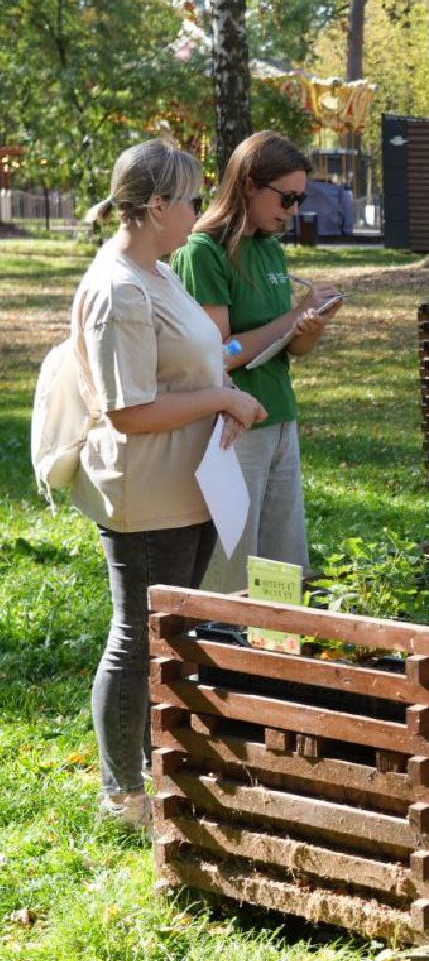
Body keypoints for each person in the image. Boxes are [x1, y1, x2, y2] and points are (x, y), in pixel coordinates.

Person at [71, 140, 268, 829]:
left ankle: (167, 767)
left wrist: (223, 392)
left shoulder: (158, 271)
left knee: (172, 631)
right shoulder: (120, 289)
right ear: (155, 207)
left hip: (190, 482)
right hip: (147, 491)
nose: (199, 211)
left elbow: (191, 362)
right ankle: (123, 796)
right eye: (189, 200)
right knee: (137, 637)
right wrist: (221, 401)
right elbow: (129, 410)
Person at [174, 131, 342, 592]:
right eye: (286, 198)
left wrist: (309, 327)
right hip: (232, 426)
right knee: (233, 568)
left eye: (300, 200)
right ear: (249, 183)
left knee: (285, 567)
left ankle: (276, 657)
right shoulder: (203, 252)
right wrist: (291, 316)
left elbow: (289, 349)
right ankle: (223, 662)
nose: (292, 211)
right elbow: (219, 355)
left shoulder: (269, 246)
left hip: (278, 415)